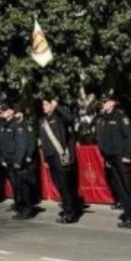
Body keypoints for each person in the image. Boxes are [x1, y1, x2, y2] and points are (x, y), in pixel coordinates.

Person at [96, 93, 131, 228]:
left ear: (112, 103)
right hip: (110, 157)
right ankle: (128, 215)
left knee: (128, 187)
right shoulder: (102, 118)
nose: (103, 104)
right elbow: (101, 137)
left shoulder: (121, 116)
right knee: (120, 188)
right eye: (102, 101)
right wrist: (104, 155)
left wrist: (127, 155)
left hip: (121, 157)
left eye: (105, 101)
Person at [40, 95, 82, 224]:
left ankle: (70, 213)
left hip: (61, 156)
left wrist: (57, 106)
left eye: (46, 104)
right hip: (51, 157)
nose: (43, 107)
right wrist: (45, 158)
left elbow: (70, 118)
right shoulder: (43, 121)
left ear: (52, 105)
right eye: (43, 105)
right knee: (59, 185)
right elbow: (44, 141)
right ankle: (68, 208)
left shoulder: (59, 118)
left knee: (65, 186)